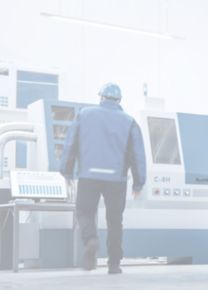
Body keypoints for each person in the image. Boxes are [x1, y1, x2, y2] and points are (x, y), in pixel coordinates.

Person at [60, 82, 147, 274]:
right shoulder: (129, 121)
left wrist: (66, 171)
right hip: (116, 179)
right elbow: (137, 154)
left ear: (101, 97)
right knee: (115, 220)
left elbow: (70, 143)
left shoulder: (84, 114)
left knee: (84, 212)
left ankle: (91, 239)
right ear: (119, 100)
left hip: (88, 176)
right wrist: (139, 182)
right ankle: (114, 264)